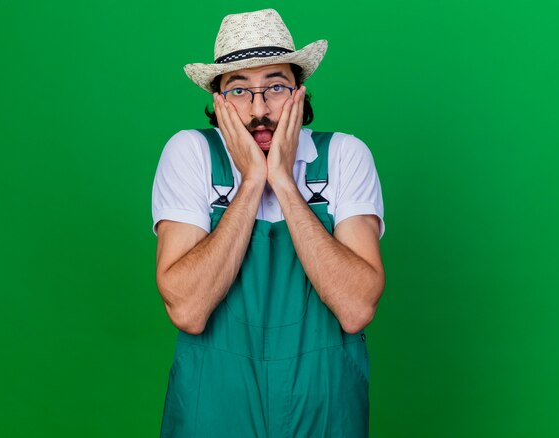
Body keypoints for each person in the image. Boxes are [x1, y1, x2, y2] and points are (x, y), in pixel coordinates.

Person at [151, 8, 386, 437]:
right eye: (239, 90)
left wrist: (282, 180)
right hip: (215, 408)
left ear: (300, 92)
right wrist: (250, 184)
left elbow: (356, 308)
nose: (259, 109)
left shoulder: (345, 157)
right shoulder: (191, 155)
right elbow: (187, 309)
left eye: (276, 86)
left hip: (325, 406)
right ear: (218, 102)